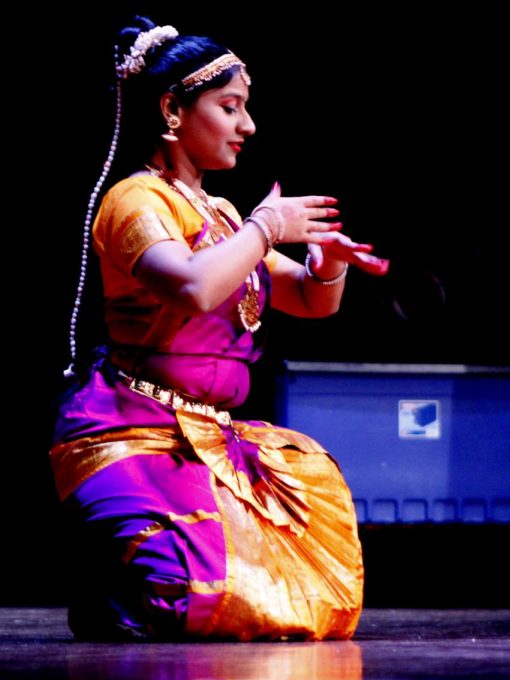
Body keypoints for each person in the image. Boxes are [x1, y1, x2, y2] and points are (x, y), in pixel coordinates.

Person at [50, 18, 388, 640]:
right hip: (130, 430)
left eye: (246, 109)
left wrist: (329, 263)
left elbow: (311, 302)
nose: (247, 126)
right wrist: (265, 228)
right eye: (230, 107)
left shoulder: (225, 214)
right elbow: (193, 286)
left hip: (209, 438)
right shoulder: (135, 201)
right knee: (181, 593)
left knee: (320, 596)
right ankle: (109, 590)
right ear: (172, 108)